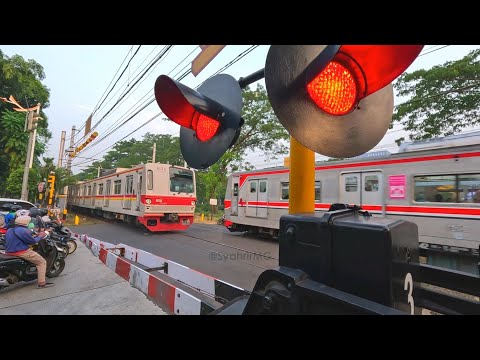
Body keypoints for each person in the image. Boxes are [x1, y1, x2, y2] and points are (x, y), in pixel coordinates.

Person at [4, 215, 54, 288]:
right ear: (26, 223)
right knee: (42, 262)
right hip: (21, 252)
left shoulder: (10, 230)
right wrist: (41, 236)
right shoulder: (23, 230)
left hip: (9, 251)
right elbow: (32, 242)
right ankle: (42, 283)